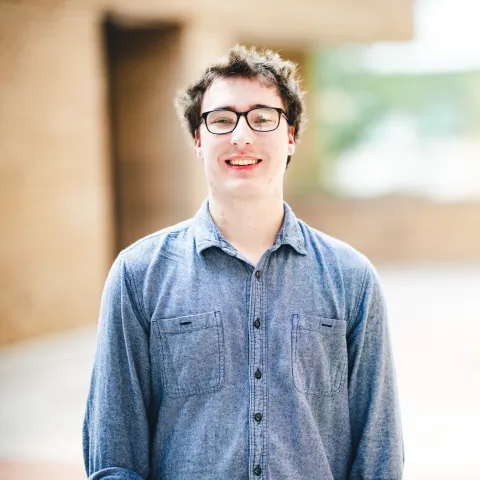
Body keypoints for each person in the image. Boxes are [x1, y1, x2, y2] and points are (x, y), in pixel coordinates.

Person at [83, 45, 404, 480]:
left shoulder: (352, 279)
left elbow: (378, 451)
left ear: (290, 135)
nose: (241, 135)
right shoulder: (138, 275)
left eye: (262, 117)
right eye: (221, 119)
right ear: (199, 139)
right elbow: (114, 453)